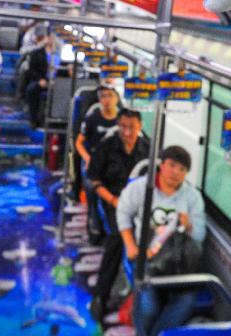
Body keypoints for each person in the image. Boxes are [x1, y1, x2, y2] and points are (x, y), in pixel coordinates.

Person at [117, 146, 206, 336]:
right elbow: (123, 212)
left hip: (179, 263)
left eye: (182, 169)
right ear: (161, 165)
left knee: (186, 302)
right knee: (149, 309)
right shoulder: (141, 188)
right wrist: (130, 245)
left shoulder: (192, 197)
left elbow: (200, 236)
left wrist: (189, 226)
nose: (176, 172)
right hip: (148, 257)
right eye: (172, 165)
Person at [87, 108, 150, 320]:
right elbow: (94, 181)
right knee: (117, 238)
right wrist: (115, 201)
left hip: (140, 203)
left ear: (140, 127)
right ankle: (101, 295)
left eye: (131, 127)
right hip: (113, 200)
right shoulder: (107, 147)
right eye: (123, 126)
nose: (127, 132)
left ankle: (147, 295)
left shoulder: (147, 148)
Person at [75, 85, 121, 171]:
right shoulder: (92, 118)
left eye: (110, 95)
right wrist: (88, 159)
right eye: (103, 96)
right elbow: (79, 143)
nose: (107, 99)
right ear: (99, 100)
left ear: (117, 98)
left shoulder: (124, 120)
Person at [23, 31, 53, 127]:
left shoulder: (59, 54)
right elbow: (31, 70)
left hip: (57, 82)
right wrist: (40, 79)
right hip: (42, 80)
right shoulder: (37, 53)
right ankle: (34, 119)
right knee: (32, 89)